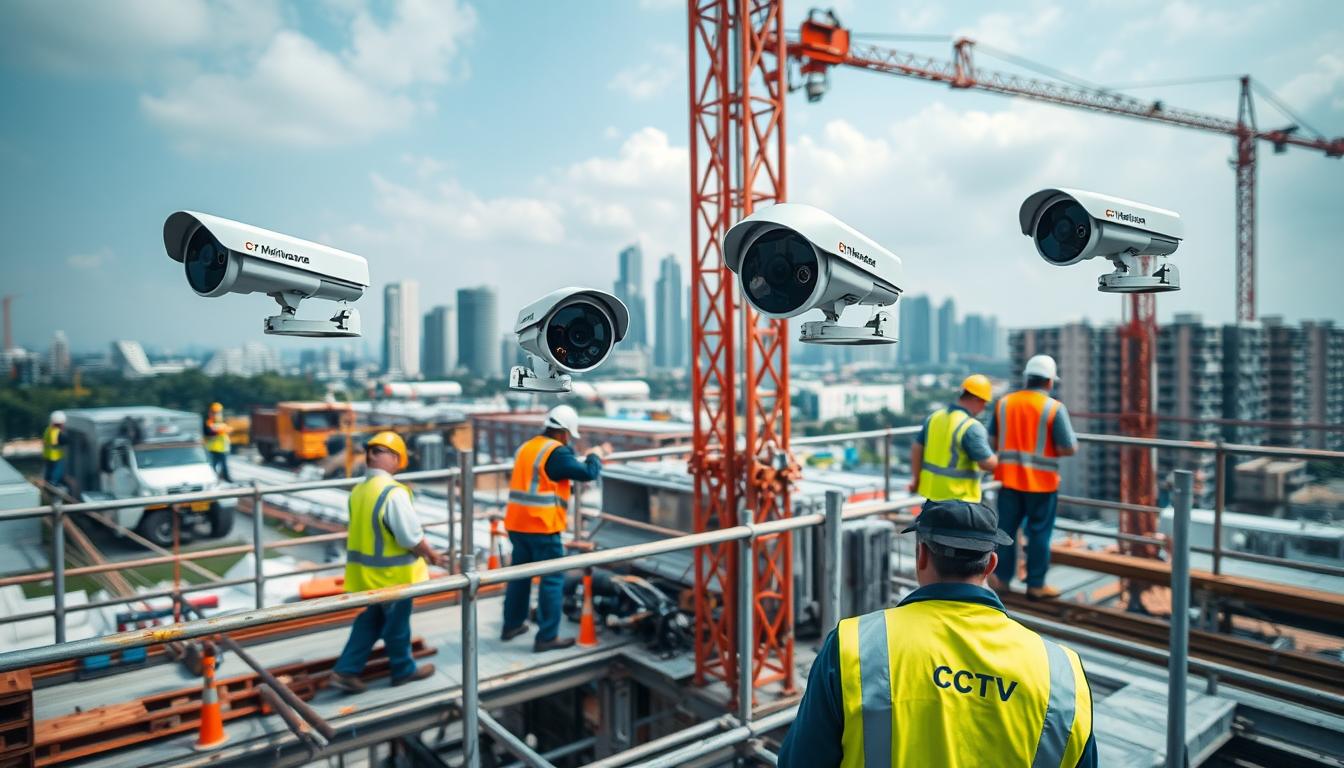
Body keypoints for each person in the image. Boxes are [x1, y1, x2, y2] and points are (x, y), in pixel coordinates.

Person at [778, 499, 1097, 768]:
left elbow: (800, 761)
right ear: (990, 565)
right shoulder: (1063, 673)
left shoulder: (853, 645)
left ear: (921, 556)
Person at [330, 431, 445, 693]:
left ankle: (346, 670)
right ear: (394, 457)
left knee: (371, 620)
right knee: (397, 625)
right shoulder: (393, 493)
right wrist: (432, 554)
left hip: (367, 575)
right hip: (394, 576)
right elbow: (409, 537)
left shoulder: (358, 491)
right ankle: (403, 670)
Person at [501, 405, 611, 652]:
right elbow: (588, 472)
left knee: (519, 577)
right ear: (563, 432)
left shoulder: (527, 447)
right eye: (569, 435)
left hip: (517, 524)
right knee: (551, 580)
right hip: (542, 527)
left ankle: (512, 625)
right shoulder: (556, 452)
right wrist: (595, 454)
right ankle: (547, 637)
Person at [989, 354, 1077, 599]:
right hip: (1041, 483)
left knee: (1005, 532)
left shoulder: (1004, 403)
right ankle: (1035, 585)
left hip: (1008, 480)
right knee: (1039, 534)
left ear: (1027, 378)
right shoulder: (1053, 408)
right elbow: (1068, 447)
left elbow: (992, 441)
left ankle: (1002, 581)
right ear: (1049, 381)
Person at [908, 374, 998, 502]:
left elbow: (917, 448)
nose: (984, 407)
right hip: (959, 501)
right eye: (984, 403)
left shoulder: (935, 417)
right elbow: (987, 463)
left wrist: (916, 479)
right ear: (977, 399)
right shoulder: (970, 426)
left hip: (931, 498)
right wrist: (1001, 458)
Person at [204, 402, 232, 482]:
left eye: (218, 412)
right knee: (212, 466)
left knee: (224, 466)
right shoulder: (208, 423)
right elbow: (209, 432)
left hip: (223, 449)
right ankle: (213, 479)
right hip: (212, 449)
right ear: (210, 412)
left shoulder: (223, 422)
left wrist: (219, 430)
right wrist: (219, 430)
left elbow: (228, 430)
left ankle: (226, 478)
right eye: (214, 412)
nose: (216, 414)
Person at [42, 411, 68, 488]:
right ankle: (54, 483)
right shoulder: (57, 432)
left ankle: (47, 481)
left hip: (47, 454)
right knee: (57, 470)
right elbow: (60, 442)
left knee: (49, 469)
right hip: (56, 456)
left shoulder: (48, 429)